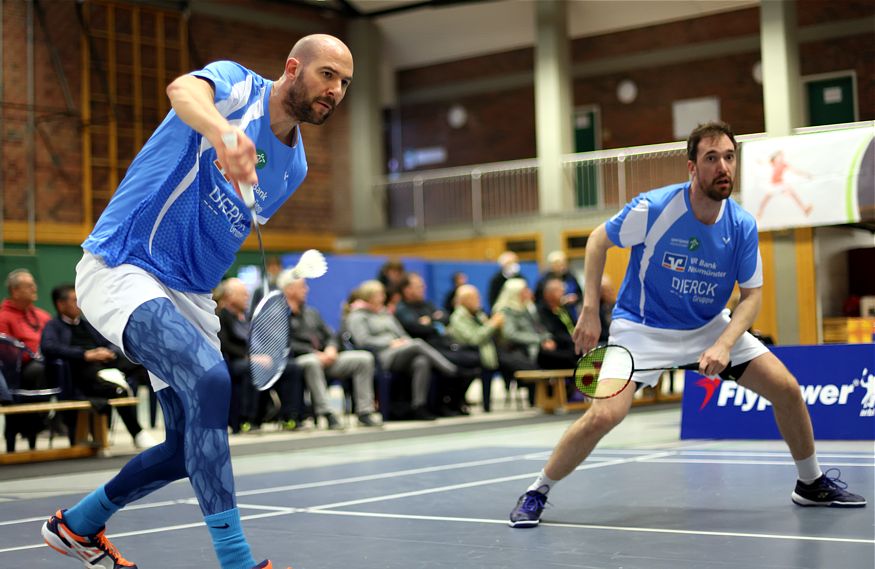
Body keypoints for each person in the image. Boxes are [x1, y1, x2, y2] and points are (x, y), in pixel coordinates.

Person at [42, 34, 354, 569]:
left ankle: (78, 526)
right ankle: (236, 561)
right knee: (211, 381)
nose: (336, 90)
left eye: (345, 83)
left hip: (190, 294)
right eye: (327, 74)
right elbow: (182, 89)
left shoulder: (293, 169)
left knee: (188, 445)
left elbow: (226, 228)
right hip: (125, 262)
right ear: (292, 68)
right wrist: (222, 133)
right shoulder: (236, 88)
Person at [508, 121, 866, 529]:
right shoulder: (656, 208)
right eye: (711, 158)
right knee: (604, 416)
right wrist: (590, 310)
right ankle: (537, 490)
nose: (723, 166)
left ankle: (811, 483)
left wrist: (725, 344)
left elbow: (752, 297)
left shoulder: (743, 225)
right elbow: (596, 241)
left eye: (729, 157)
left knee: (786, 389)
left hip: (708, 326)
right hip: (642, 328)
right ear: (692, 167)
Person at [40, 284, 157, 449]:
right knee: (117, 390)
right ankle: (138, 433)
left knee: (142, 365)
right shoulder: (53, 326)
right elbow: (48, 347)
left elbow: (108, 341)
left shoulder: (86, 324)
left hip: (104, 363)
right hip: (80, 370)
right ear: (61, 304)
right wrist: (85, 354)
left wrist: (109, 351)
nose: (79, 304)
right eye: (75, 300)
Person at [278, 271, 381, 429]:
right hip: (300, 359)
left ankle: (364, 412)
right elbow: (284, 343)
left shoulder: (311, 313)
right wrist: (314, 353)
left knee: (364, 359)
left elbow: (331, 335)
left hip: (326, 358)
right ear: (289, 289)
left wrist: (331, 348)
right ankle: (327, 413)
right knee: (312, 363)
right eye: (302, 286)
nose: (306, 289)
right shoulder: (277, 314)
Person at [345, 280, 459, 421]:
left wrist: (403, 341)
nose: (382, 297)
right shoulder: (357, 316)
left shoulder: (385, 313)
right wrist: (390, 342)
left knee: (421, 361)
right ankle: (450, 369)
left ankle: (419, 406)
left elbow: (401, 333)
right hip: (380, 356)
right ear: (369, 296)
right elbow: (363, 340)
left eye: (382, 294)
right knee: (417, 343)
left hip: (400, 351)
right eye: (378, 294)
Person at [216, 278, 303, 434]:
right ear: (230, 296)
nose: (247, 298)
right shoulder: (221, 316)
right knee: (251, 369)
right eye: (243, 295)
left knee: (292, 368)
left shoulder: (248, 317)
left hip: (259, 359)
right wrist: (251, 358)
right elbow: (224, 344)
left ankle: (291, 417)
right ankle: (247, 420)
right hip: (235, 362)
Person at [395, 272, 478, 415]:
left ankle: (455, 401)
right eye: (419, 286)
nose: (423, 288)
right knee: (458, 365)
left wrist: (430, 321)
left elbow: (445, 317)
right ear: (407, 290)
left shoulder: (427, 304)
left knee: (474, 358)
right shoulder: (402, 309)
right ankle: (443, 404)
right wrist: (433, 322)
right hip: (428, 349)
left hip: (443, 344)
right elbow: (415, 327)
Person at [447, 284, 535, 412]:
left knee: (524, 361)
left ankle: (535, 391)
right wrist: (493, 324)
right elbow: (474, 338)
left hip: (492, 353)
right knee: (519, 362)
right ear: (465, 300)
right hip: (473, 355)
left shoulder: (478, 314)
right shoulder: (458, 317)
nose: (478, 300)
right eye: (474, 298)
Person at [534, 250, 583, 320]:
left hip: (571, 313)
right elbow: (539, 300)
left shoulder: (570, 277)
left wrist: (575, 298)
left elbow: (579, 294)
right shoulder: (543, 280)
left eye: (563, 263)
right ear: (551, 265)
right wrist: (559, 301)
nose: (561, 266)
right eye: (558, 264)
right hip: (552, 315)